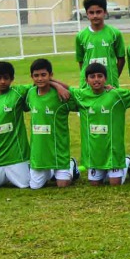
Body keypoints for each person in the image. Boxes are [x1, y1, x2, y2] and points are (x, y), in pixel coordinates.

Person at [74, 0, 125, 163]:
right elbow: (82, 62)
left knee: (112, 125)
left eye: (98, 12)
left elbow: (120, 58)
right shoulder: (81, 36)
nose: (95, 16)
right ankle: (88, 160)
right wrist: (88, 81)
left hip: (109, 88)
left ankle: (116, 159)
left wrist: (112, 78)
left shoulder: (115, 33)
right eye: (91, 12)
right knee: (89, 126)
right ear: (86, 14)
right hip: (88, 89)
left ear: (105, 12)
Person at [74, 63, 130, 186]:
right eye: (92, 77)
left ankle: (126, 161)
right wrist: (54, 83)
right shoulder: (81, 96)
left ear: (106, 78)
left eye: (100, 76)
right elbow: (67, 89)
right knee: (94, 184)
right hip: (95, 155)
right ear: (86, 80)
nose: (96, 79)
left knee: (114, 183)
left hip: (113, 154)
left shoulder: (116, 95)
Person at [23, 59, 79, 189]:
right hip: (39, 154)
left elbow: (78, 99)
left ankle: (71, 165)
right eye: (36, 75)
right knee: (35, 186)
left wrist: (57, 86)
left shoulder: (61, 95)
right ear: (31, 77)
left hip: (58, 151)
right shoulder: (30, 93)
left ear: (51, 75)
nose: (40, 78)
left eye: (44, 75)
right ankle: (48, 172)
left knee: (62, 185)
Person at [0, 61, 32, 189]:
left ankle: (69, 166)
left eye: (6, 78)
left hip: (16, 157)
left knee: (26, 184)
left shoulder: (18, 92)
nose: (3, 81)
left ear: (12, 79)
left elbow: (41, 82)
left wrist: (58, 86)